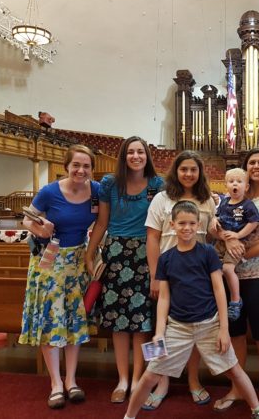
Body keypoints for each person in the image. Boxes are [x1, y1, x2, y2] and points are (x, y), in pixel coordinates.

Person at [123, 201, 259, 419]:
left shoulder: (207, 252)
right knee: (150, 375)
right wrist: (159, 331)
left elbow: (220, 290)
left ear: (199, 224)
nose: (187, 228)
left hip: (209, 324)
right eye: (181, 223)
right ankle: (129, 416)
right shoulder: (165, 258)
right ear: (172, 225)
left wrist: (223, 328)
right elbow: (163, 297)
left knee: (234, 370)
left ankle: (257, 410)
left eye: (191, 223)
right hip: (177, 327)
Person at [18, 144, 99, 409]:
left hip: (77, 261)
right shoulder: (50, 192)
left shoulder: (95, 191)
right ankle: (55, 383)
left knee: (74, 320)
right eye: (76, 165)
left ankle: (71, 381)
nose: (81, 170)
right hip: (49, 262)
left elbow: (102, 220)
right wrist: (40, 230)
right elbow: (27, 220)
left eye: (86, 166)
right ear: (66, 166)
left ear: (91, 169)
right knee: (52, 320)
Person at [85, 136, 164, 403]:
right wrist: (89, 253)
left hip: (146, 253)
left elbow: (163, 224)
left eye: (140, 151)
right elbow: (102, 222)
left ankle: (139, 378)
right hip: (116, 253)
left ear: (147, 155)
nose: (136, 156)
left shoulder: (157, 183)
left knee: (143, 322)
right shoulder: (109, 183)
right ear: (124, 156)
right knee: (119, 323)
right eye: (130, 152)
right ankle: (122, 379)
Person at [142, 150, 216, 409]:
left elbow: (211, 235)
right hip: (167, 274)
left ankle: (194, 380)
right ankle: (161, 381)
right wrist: (154, 276)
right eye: (183, 169)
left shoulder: (207, 200)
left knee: (194, 329)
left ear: (199, 173)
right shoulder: (162, 199)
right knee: (160, 329)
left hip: (197, 277)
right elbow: (152, 238)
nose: (188, 174)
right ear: (176, 171)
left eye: (193, 169)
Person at [214, 148, 259, 417]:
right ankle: (237, 388)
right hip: (230, 278)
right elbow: (218, 227)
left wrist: (237, 253)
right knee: (235, 334)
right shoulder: (231, 196)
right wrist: (221, 235)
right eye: (252, 162)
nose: (256, 167)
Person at [211, 167, 259, 321]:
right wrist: (214, 219)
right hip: (221, 241)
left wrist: (238, 235)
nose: (235, 184)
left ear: (246, 187)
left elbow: (254, 222)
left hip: (238, 243)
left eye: (239, 182)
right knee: (211, 267)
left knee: (227, 268)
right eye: (231, 181)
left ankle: (235, 300)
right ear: (226, 185)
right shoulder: (224, 202)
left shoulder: (247, 204)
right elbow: (217, 216)